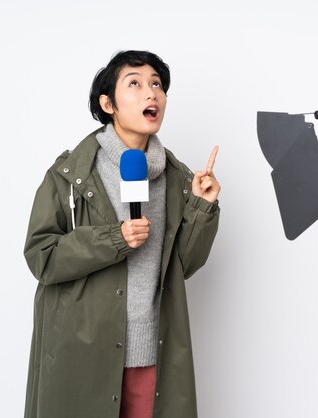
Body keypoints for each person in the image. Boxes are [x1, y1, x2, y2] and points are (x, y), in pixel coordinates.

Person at [23, 50, 220, 418]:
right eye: (136, 84)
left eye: (157, 85)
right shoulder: (69, 175)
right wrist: (114, 239)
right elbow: (41, 256)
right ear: (107, 103)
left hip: (152, 355)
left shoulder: (178, 178)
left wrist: (201, 207)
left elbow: (184, 266)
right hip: (83, 355)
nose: (152, 93)